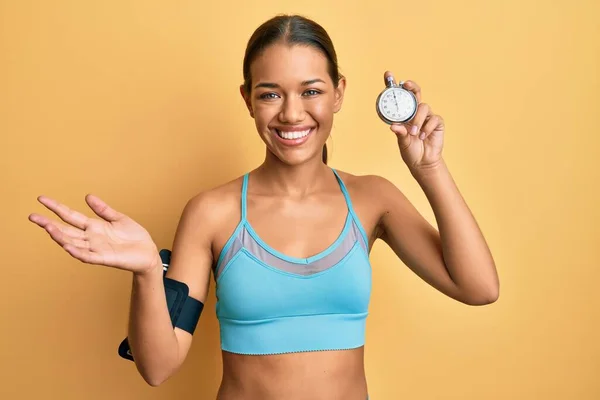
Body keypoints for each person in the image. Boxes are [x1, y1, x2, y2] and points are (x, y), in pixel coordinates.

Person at [28, 14, 499, 400]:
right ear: (247, 100)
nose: (292, 113)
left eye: (311, 91)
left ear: (339, 93)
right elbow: (158, 366)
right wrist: (148, 271)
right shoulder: (212, 213)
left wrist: (429, 169)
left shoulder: (373, 199)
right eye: (270, 93)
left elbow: (478, 287)